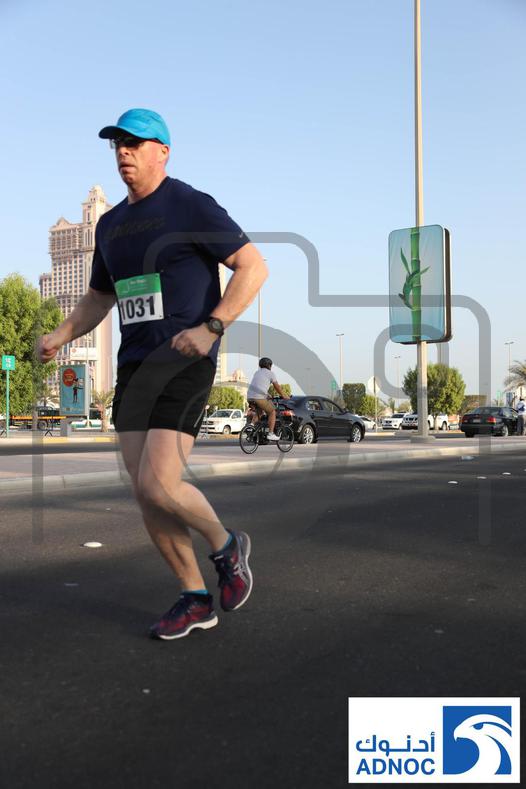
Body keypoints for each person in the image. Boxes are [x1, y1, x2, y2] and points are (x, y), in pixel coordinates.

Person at [37, 108, 268, 640]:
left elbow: (253, 267)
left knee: (158, 482)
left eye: (135, 142)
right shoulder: (111, 225)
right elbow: (100, 297)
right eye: (117, 143)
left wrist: (212, 327)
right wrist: (60, 335)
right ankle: (194, 597)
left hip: (184, 358)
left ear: (162, 151)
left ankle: (227, 546)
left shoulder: (189, 204)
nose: (124, 151)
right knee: (147, 493)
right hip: (135, 367)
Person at [246, 358, 287, 441]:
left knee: (260, 412)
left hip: (249, 397)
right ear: (269, 365)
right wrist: (284, 395)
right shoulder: (270, 373)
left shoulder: (257, 372)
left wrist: (267, 394)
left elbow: (259, 386)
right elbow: (277, 387)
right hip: (258, 397)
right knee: (272, 412)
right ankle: (270, 434)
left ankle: (251, 426)